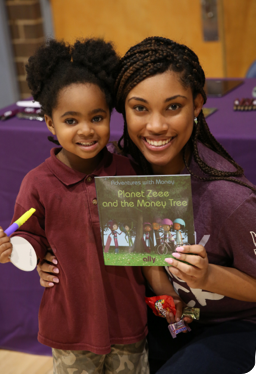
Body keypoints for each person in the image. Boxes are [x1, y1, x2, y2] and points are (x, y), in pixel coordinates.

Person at [37, 36, 256, 374]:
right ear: (121, 109)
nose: (155, 125)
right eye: (140, 108)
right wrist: (50, 263)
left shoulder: (229, 198)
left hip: (230, 325)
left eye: (173, 107)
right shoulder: (119, 175)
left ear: (197, 105)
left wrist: (209, 274)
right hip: (162, 314)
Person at [0, 38, 160, 374]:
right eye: (70, 121)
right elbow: (29, 240)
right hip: (70, 329)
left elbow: (150, 236)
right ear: (50, 123)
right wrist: (10, 247)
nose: (86, 130)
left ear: (110, 115)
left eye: (97, 117)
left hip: (128, 324)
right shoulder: (37, 184)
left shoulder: (127, 171)